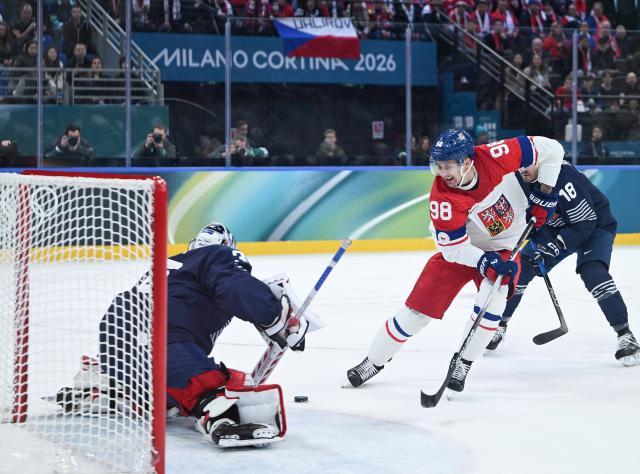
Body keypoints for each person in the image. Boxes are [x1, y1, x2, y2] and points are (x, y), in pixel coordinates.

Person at [346, 129, 564, 394]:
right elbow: (453, 249)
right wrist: (484, 261)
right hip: (463, 250)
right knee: (416, 313)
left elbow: (553, 149)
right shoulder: (443, 199)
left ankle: (463, 362)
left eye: (448, 166)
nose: (443, 173)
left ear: (467, 161)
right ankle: (374, 361)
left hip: (505, 247)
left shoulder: (498, 156)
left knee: (492, 300)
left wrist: (546, 193)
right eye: (438, 166)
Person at [57, 222, 309, 447]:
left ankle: (113, 385)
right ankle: (220, 417)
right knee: (213, 386)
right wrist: (274, 315)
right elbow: (234, 284)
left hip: (115, 337)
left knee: (163, 383)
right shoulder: (217, 255)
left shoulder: (174, 265)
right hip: (162, 337)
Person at [486, 163, 639, 367]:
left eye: (529, 164)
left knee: (593, 272)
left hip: (594, 226)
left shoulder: (563, 176)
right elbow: (526, 219)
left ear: (542, 160)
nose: (523, 169)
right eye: (520, 164)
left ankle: (625, 334)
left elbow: (585, 222)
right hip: (553, 228)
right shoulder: (518, 180)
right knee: (521, 268)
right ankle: (499, 325)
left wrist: (556, 245)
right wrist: (537, 240)